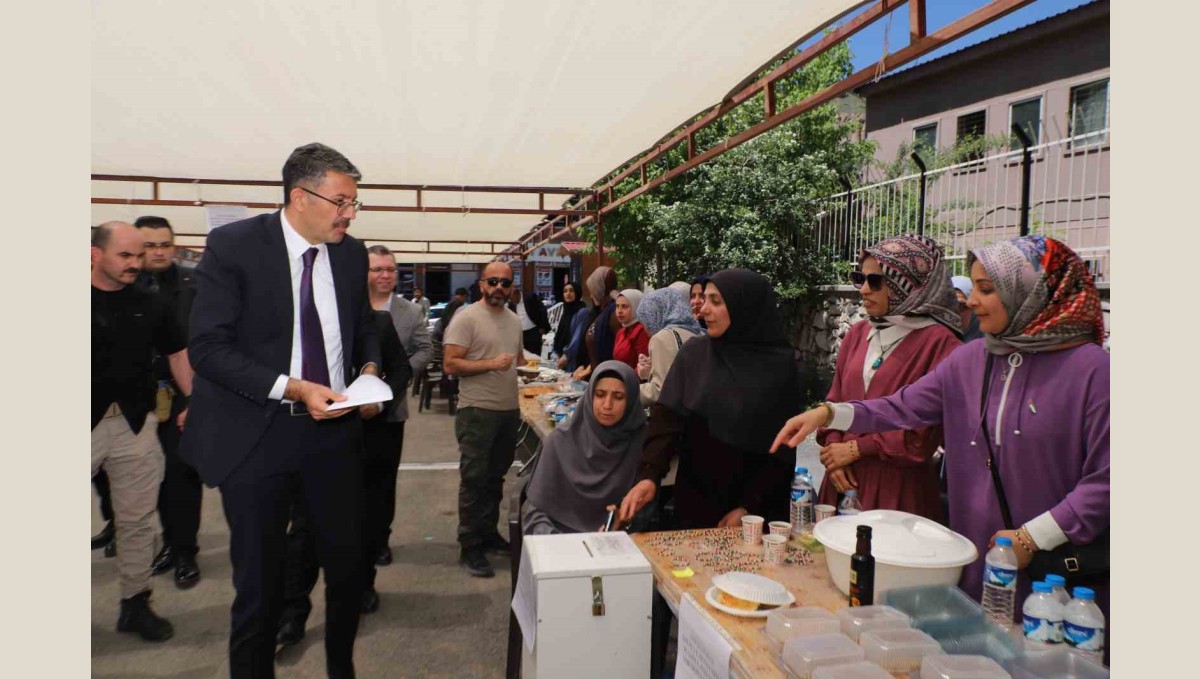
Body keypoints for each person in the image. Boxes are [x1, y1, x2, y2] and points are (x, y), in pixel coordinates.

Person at [771, 236, 1109, 633]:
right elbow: (902, 406)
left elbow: (1107, 479)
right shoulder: (971, 360)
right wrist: (829, 413)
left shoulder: (1093, 372)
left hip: (1053, 580)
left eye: (987, 289)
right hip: (972, 555)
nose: (971, 301)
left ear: (1032, 293)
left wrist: (1032, 537)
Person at [180, 143, 381, 679]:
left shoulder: (351, 253)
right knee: (260, 586)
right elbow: (209, 350)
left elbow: (364, 326)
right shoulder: (234, 246)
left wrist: (368, 370)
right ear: (300, 196)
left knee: (345, 571)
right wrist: (295, 388)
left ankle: (342, 668)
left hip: (334, 437)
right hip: (258, 435)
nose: (350, 213)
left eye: (354, 203)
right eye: (342, 201)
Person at [618, 269, 802, 529]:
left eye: (716, 301)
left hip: (756, 513)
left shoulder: (780, 366)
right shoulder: (695, 354)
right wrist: (649, 475)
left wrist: (750, 508)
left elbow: (783, 450)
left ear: (744, 307)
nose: (703, 309)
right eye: (704, 300)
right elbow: (667, 419)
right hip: (695, 502)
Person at [92, 221, 194, 641]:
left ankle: (135, 604)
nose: (136, 264)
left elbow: (178, 353)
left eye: (139, 256)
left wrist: (198, 401)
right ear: (95, 254)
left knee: (136, 523)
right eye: (126, 256)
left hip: (135, 426)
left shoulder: (150, 303)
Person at [815, 235, 962, 522]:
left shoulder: (942, 344)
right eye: (860, 278)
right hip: (841, 484)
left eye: (876, 281)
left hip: (896, 490)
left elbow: (924, 433)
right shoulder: (859, 333)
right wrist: (834, 453)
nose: (864, 289)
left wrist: (856, 449)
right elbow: (835, 399)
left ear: (908, 285)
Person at [133, 216, 204, 589]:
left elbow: (206, 342)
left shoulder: (195, 284)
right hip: (139, 396)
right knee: (151, 476)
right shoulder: (126, 283)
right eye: (150, 245)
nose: (158, 251)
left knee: (181, 473)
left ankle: (185, 551)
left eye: (165, 244)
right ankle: (170, 544)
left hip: (183, 392)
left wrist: (198, 398)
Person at [442, 262, 524, 578]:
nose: (499, 287)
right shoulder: (466, 318)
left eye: (505, 282)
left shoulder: (514, 320)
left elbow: (517, 360)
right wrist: (491, 364)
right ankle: (470, 544)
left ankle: (488, 534)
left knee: (495, 479)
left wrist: (538, 366)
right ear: (481, 284)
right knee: (474, 480)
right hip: (476, 411)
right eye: (494, 281)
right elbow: (450, 364)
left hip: (507, 411)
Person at [522, 361, 647, 535]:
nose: (607, 405)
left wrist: (621, 524)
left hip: (615, 547)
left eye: (618, 397)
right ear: (589, 396)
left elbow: (644, 515)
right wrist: (563, 544)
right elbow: (536, 515)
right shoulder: (559, 443)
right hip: (558, 544)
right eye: (600, 395)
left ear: (631, 401)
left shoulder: (640, 445)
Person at [634, 287, 704, 405]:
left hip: (675, 417)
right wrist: (651, 371)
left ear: (656, 314)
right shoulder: (699, 331)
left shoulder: (662, 338)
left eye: (645, 320)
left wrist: (624, 392)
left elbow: (661, 390)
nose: (645, 328)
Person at [574, 266, 619, 380]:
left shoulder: (613, 313)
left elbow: (616, 350)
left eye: (592, 290)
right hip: (597, 375)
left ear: (599, 289)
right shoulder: (602, 312)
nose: (590, 295)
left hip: (608, 377)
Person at [509, 284, 552, 356]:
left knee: (534, 355)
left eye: (512, 298)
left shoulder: (530, 298)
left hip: (533, 331)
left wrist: (542, 326)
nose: (512, 301)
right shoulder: (511, 304)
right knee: (522, 355)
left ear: (517, 294)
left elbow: (542, 310)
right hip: (521, 333)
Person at [611, 289, 649, 370]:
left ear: (637, 307)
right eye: (617, 306)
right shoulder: (621, 332)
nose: (619, 311)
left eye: (624, 306)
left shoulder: (643, 331)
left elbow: (643, 366)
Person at [551, 280, 586, 368]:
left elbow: (577, 338)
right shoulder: (566, 312)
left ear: (577, 292)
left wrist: (566, 355)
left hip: (574, 360)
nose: (568, 293)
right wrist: (556, 353)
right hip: (561, 359)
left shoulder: (582, 312)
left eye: (571, 290)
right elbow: (559, 335)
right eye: (565, 291)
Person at [952, 275, 984, 342]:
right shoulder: (939, 331)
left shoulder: (983, 328)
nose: (957, 312)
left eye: (963, 307)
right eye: (952, 306)